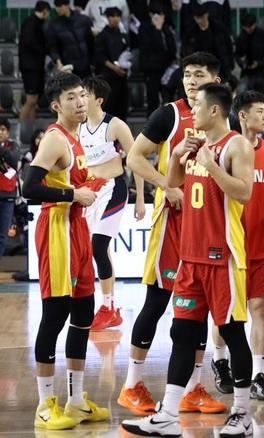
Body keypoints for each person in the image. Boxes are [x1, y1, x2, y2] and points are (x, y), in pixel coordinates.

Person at [122, 82, 256, 438]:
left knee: (232, 332)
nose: (191, 111)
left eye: (197, 106)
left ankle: (242, 414)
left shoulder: (236, 145)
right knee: (182, 332)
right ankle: (167, 415)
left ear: (214, 110)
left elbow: (244, 193)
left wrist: (212, 166)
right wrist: (177, 156)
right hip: (190, 257)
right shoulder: (194, 144)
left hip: (223, 256)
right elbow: (172, 183)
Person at [120, 52, 226, 416]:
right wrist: (166, 185)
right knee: (156, 301)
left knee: (199, 308)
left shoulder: (220, 120)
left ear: (216, 80)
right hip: (172, 224)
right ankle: (131, 385)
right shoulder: (169, 114)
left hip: (206, 225)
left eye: (199, 74)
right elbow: (134, 158)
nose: (191, 80)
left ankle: (193, 388)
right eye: (187, 74)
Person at [22, 71, 108, 430]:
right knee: (55, 314)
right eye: (71, 97)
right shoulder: (56, 139)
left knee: (84, 312)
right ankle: (44, 405)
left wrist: (91, 184)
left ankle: (75, 402)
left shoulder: (76, 137)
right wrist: (73, 194)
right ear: (57, 105)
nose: (80, 102)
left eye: (82, 95)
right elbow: (29, 187)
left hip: (77, 228)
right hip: (56, 229)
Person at [79, 76, 145, 330]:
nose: (80, 99)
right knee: (95, 249)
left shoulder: (115, 125)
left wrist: (140, 198)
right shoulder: (78, 127)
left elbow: (137, 160)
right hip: (89, 192)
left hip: (113, 189)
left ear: (98, 100)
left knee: (98, 245)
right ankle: (110, 306)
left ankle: (107, 307)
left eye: (85, 94)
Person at [233, 91, 264, 401]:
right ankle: (222, 363)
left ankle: (258, 375)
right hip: (232, 246)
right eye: (260, 111)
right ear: (242, 115)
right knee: (230, 314)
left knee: (260, 309)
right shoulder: (226, 151)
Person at [138, 3, 177, 115]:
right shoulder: (144, 28)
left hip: (166, 68)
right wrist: (157, 30)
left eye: (161, 14)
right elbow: (153, 47)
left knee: (168, 98)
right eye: (157, 14)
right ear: (151, 15)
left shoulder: (166, 28)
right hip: (152, 69)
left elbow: (172, 47)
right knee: (153, 99)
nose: (160, 17)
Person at [18, 1, 51, 127]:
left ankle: (30, 130)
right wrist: (45, 49)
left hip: (36, 67)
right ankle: (19, 131)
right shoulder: (30, 23)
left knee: (34, 101)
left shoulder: (37, 23)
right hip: (30, 67)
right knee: (30, 100)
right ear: (45, 11)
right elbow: (29, 43)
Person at [94, 7, 130, 120]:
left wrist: (126, 68)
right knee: (109, 106)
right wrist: (115, 68)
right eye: (112, 16)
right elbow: (100, 57)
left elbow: (128, 53)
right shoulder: (102, 36)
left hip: (122, 77)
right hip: (108, 76)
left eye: (117, 16)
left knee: (122, 106)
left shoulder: (123, 35)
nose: (115, 19)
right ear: (107, 18)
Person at [182, 4, 234, 80]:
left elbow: (228, 47)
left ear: (207, 15)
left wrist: (229, 66)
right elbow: (185, 51)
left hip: (219, 68)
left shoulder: (219, 29)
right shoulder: (190, 33)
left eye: (202, 17)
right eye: (197, 18)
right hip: (199, 70)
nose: (200, 21)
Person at [47, 0, 95, 79]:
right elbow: (53, 46)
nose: (57, 9)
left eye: (60, 6)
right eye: (56, 7)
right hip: (68, 65)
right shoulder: (54, 25)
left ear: (67, 5)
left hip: (85, 64)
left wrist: (92, 61)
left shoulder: (83, 20)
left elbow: (91, 42)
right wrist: (58, 61)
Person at [235, 12, 264, 87]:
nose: (248, 29)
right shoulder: (241, 37)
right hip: (247, 72)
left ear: (255, 24)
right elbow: (237, 54)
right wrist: (242, 62)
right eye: (246, 27)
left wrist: (259, 63)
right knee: (242, 90)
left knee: (261, 90)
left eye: (250, 26)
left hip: (263, 72)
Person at [0, 118, 19, 261]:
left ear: (7, 132)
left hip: (7, 196)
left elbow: (14, 161)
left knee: (2, 235)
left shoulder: (13, 145)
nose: (0, 132)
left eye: (2, 129)